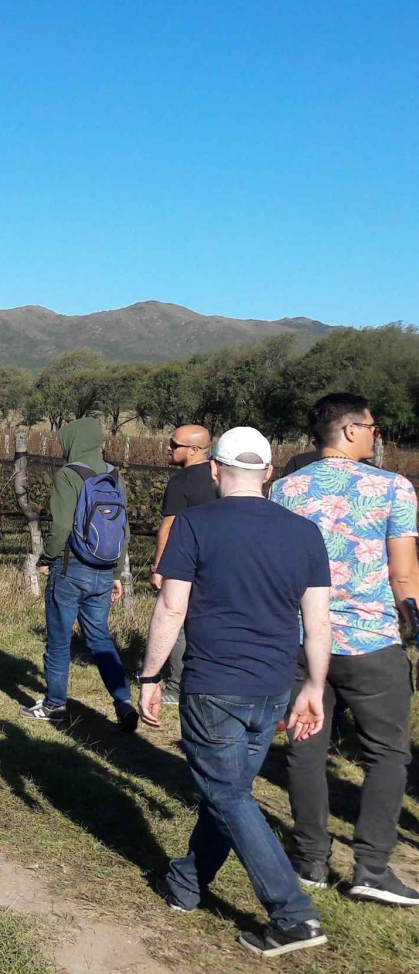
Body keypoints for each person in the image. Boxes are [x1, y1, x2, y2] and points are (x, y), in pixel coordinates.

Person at [140, 426, 332, 957]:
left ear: (216, 471)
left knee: (226, 795)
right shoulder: (305, 532)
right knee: (229, 795)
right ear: (269, 473)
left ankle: (292, 915)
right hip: (273, 686)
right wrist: (313, 687)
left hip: (213, 685)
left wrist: (151, 676)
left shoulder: (195, 524)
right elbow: (318, 622)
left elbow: (172, 607)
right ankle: (186, 883)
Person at [269, 392, 419, 905]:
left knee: (306, 749)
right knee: (386, 754)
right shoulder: (393, 489)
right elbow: (403, 571)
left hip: (301, 639)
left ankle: (310, 858)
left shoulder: (284, 490)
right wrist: (412, 622)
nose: (378, 437)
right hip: (370, 641)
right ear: (351, 430)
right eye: (374, 428)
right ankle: (372, 867)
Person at [21, 417, 136, 730]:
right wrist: (115, 571)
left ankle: (56, 705)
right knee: (100, 637)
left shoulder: (69, 475)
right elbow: (123, 531)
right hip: (103, 570)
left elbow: (60, 527)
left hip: (71, 568)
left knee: (59, 641)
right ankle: (123, 700)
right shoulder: (115, 475)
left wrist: (46, 558)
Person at [150, 424, 214, 705]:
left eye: (174, 444)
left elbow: (169, 526)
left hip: (188, 562)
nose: (168, 447)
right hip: (220, 562)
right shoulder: (221, 475)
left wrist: (160, 566)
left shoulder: (181, 482)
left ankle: (176, 687)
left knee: (176, 623)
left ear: (194, 450)